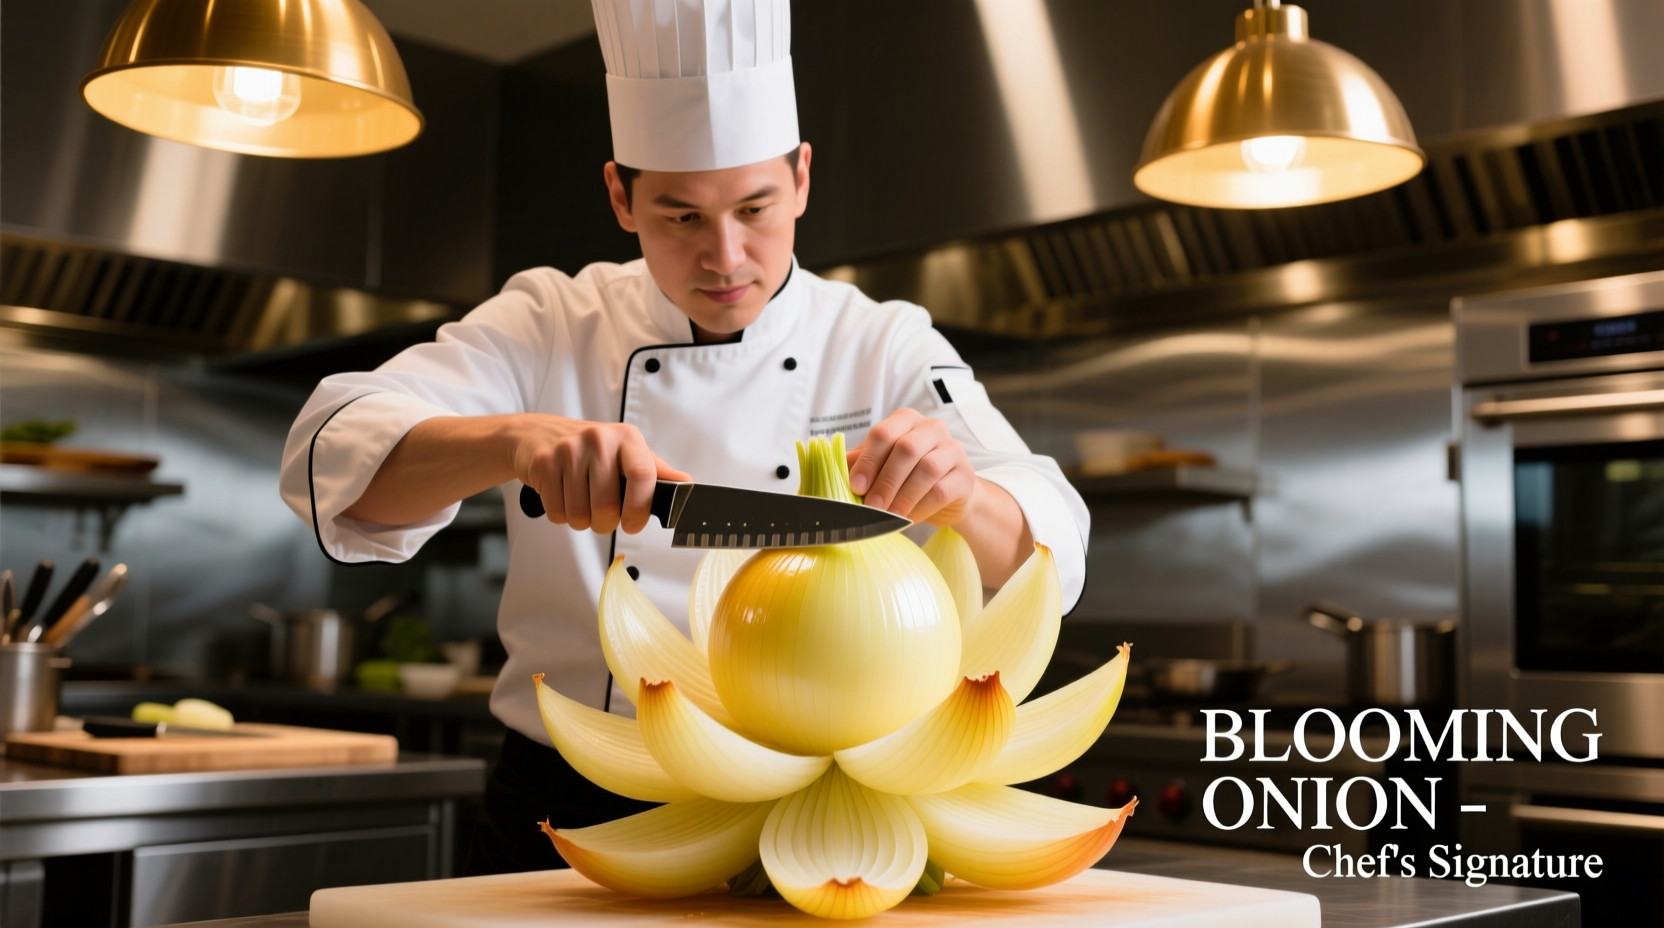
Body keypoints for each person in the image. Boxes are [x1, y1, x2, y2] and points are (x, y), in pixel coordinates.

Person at [278, 0, 1088, 876]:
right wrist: (514, 441)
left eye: (755, 207)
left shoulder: (881, 341)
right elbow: (332, 455)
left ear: (803, 178)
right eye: (681, 217)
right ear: (620, 196)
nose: (727, 257)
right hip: (571, 800)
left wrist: (963, 494)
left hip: (815, 801)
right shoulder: (553, 319)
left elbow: (1054, 549)